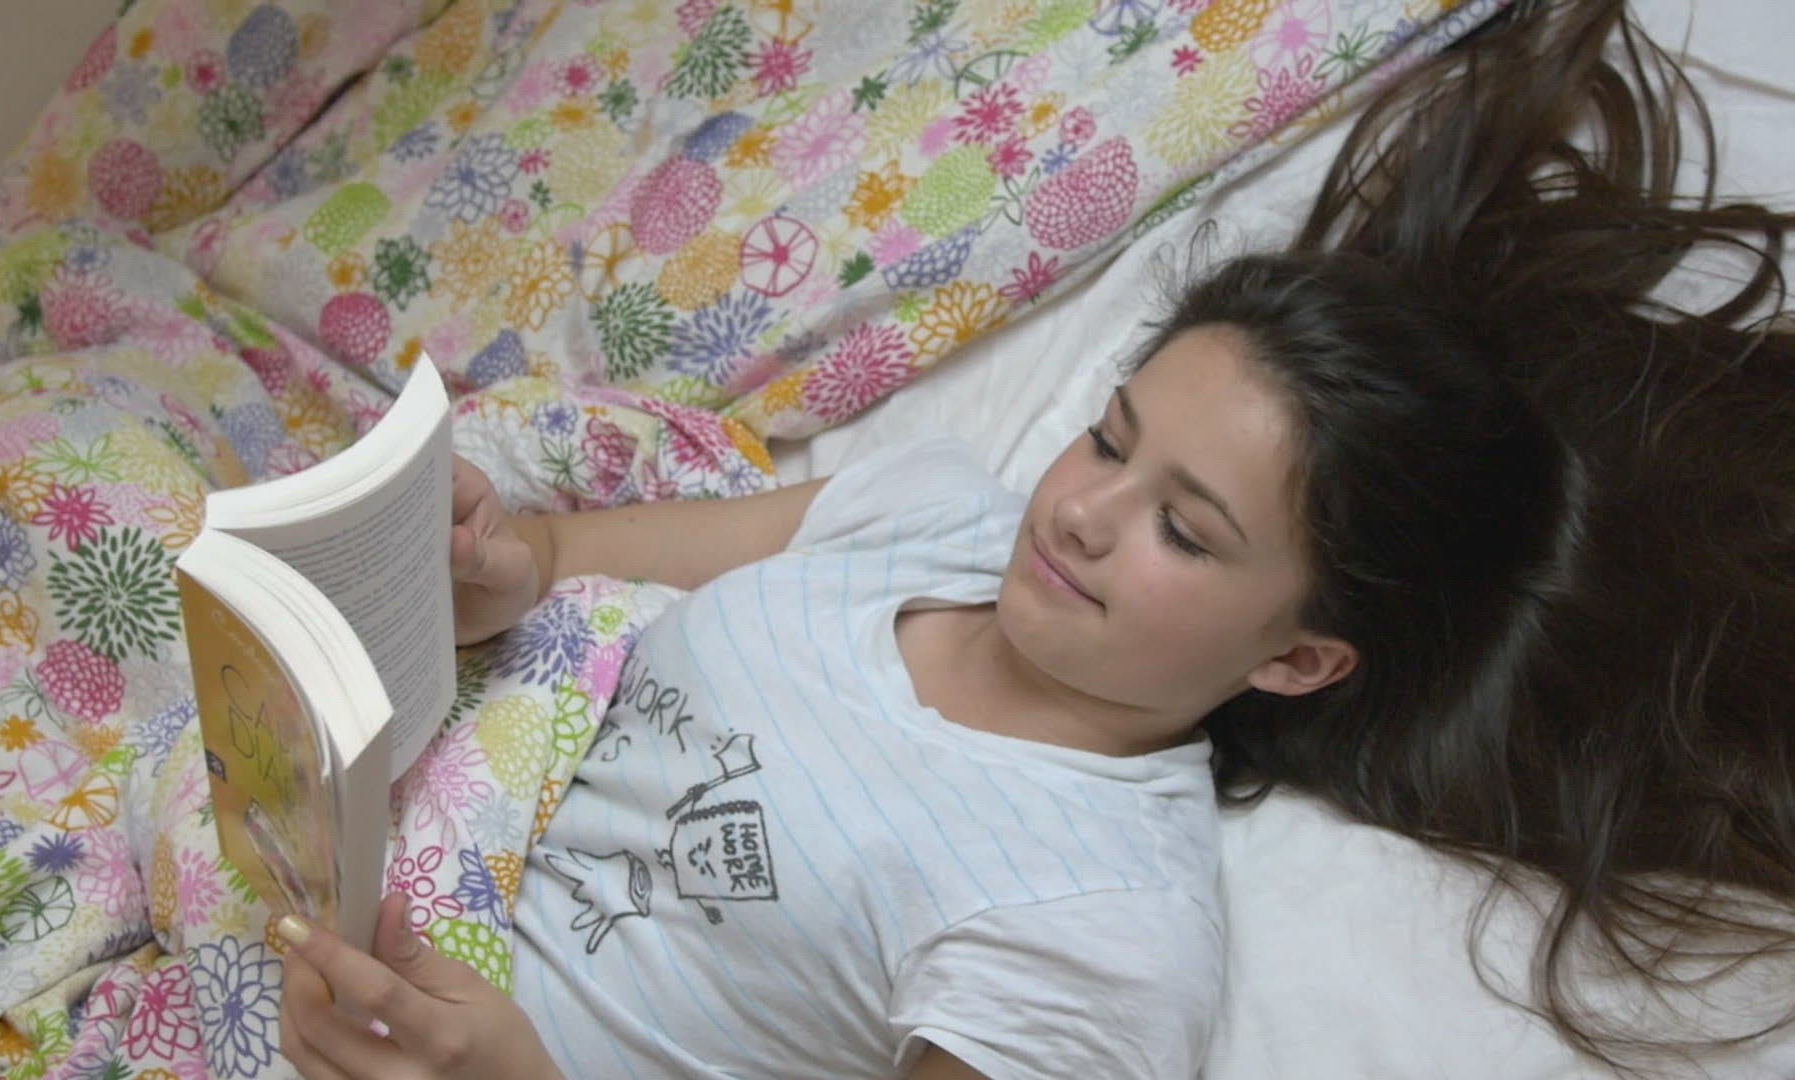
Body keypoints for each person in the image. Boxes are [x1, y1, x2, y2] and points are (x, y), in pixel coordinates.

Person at [276, 0, 1795, 1076]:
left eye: (1183, 530)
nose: (1078, 511)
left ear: (1299, 657)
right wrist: (493, 577)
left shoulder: (1095, 939)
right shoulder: (928, 512)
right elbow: (559, 566)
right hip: (332, 911)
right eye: (1112, 438)